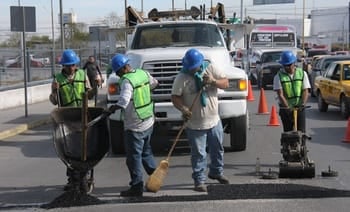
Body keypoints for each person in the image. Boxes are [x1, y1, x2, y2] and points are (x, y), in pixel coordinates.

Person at [171, 48, 230, 192]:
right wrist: (183, 109)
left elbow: (226, 83)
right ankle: (199, 180)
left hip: (214, 119)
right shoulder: (181, 78)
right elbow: (175, 97)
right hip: (195, 123)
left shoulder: (210, 69)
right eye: (190, 67)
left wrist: (213, 81)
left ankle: (216, 171)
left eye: (194, 67)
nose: (192, 70)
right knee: (199, 153)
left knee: (217, 148)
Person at [107, 53, 158, 197]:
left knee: (133, 157)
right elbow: (155, 83)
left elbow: (123, 100)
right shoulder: (143, 73)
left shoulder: (127, 81)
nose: (117, 75)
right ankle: (155, 176)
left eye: (117, 72)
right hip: (148, 119)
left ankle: (136, 186)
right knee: (146, 151)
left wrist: (113, 108)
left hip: (135, 125)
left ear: (122, 69)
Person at [49, 49, 94, 193]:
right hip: (67, 117)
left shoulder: (82, 75)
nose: (70, 68)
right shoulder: (57, 79)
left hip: (82, 115)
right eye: (67, 65)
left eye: (72, 65)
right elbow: (54, 101)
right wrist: (55, 91)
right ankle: (72, 178)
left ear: (76, 64)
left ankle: (84, 175)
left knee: (84, 148)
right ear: (63, 66)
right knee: (69, 149)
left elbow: (90, 94)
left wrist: (96, 87)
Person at [273, 50, 311, 132]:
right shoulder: (278, 76)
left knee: (301, 132)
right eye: (285, 65)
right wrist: (287, 108)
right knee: (288, 133)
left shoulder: (302, 73)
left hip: (299, 107)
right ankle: (286, 144)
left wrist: (303, 104)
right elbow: (280, 94)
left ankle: (302, 144)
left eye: (289, 65)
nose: (288, 67)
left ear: (294, 63)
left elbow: (305, 91)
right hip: (285, 108)